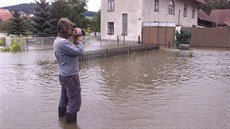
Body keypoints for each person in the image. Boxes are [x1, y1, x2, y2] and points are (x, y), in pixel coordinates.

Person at [53, 18, 85, 123]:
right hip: (71, 76)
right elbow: (80, 51)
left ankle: (61, 119)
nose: (72, 30)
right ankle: (71, 125)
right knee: (74, 101)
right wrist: (80, 39)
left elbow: (73, 51)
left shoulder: (58, 41)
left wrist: (75, 40)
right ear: (63, 30)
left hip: (63, 75)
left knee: (65, 98)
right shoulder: (63, 43)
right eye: (70, 28)